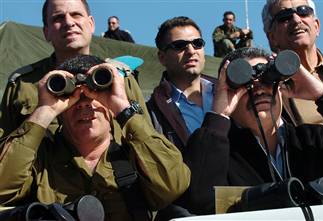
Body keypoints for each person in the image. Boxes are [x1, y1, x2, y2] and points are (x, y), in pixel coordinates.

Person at [0, 55, 190, 221]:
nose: (85, 105)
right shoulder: (40, 158)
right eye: (74, 99)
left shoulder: (135, 152)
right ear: (61, 111)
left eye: (94, 96)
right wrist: (44, 111)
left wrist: (123, 108)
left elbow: (173, 185)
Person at [180, 47, 323, 215]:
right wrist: (218, 115)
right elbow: (199, 201)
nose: (258, 89)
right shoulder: (218, 152)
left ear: (281, 85)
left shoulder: (314, 140)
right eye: (244, 83)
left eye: (268, 79)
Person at [0, 0, 142, 140]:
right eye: (58, 18)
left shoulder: (119, 78)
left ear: (91, 24)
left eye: (76, 14)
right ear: (46, 32)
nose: (69, 23)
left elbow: (147, 141)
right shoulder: (23, 84)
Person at [262, 0, 323, 125]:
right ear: (272, 38)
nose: (296, 20)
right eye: (284, 16)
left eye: (304, 11)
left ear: (317, 26)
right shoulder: (266, 88)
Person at [147, 16, 214, 152]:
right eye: (179, 46)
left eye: (197, 43)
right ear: (162, 57)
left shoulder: (228, 92)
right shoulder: (152, 113)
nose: (191, 51)